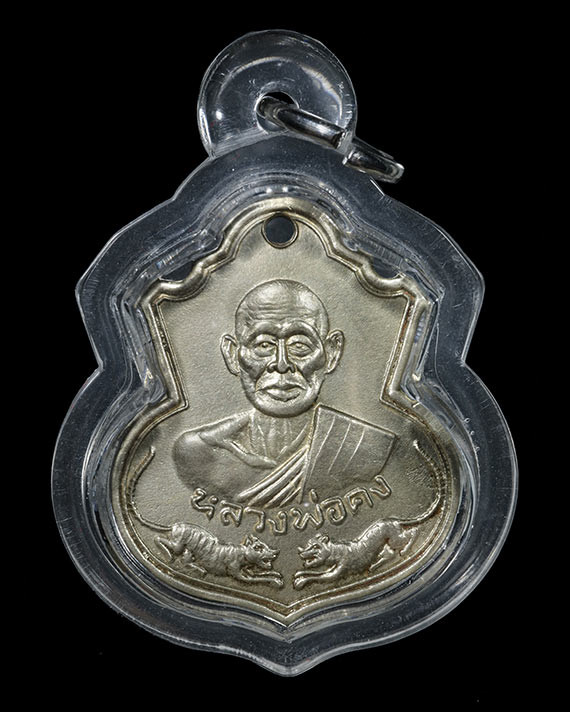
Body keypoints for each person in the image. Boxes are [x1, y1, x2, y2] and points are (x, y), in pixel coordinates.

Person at [173, 279, 396, 508]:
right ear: (233, 355)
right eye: (263, 345)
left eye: (299, 346)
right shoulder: (199, 452)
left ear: (331, 353)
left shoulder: (363, 447)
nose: (281, 364)